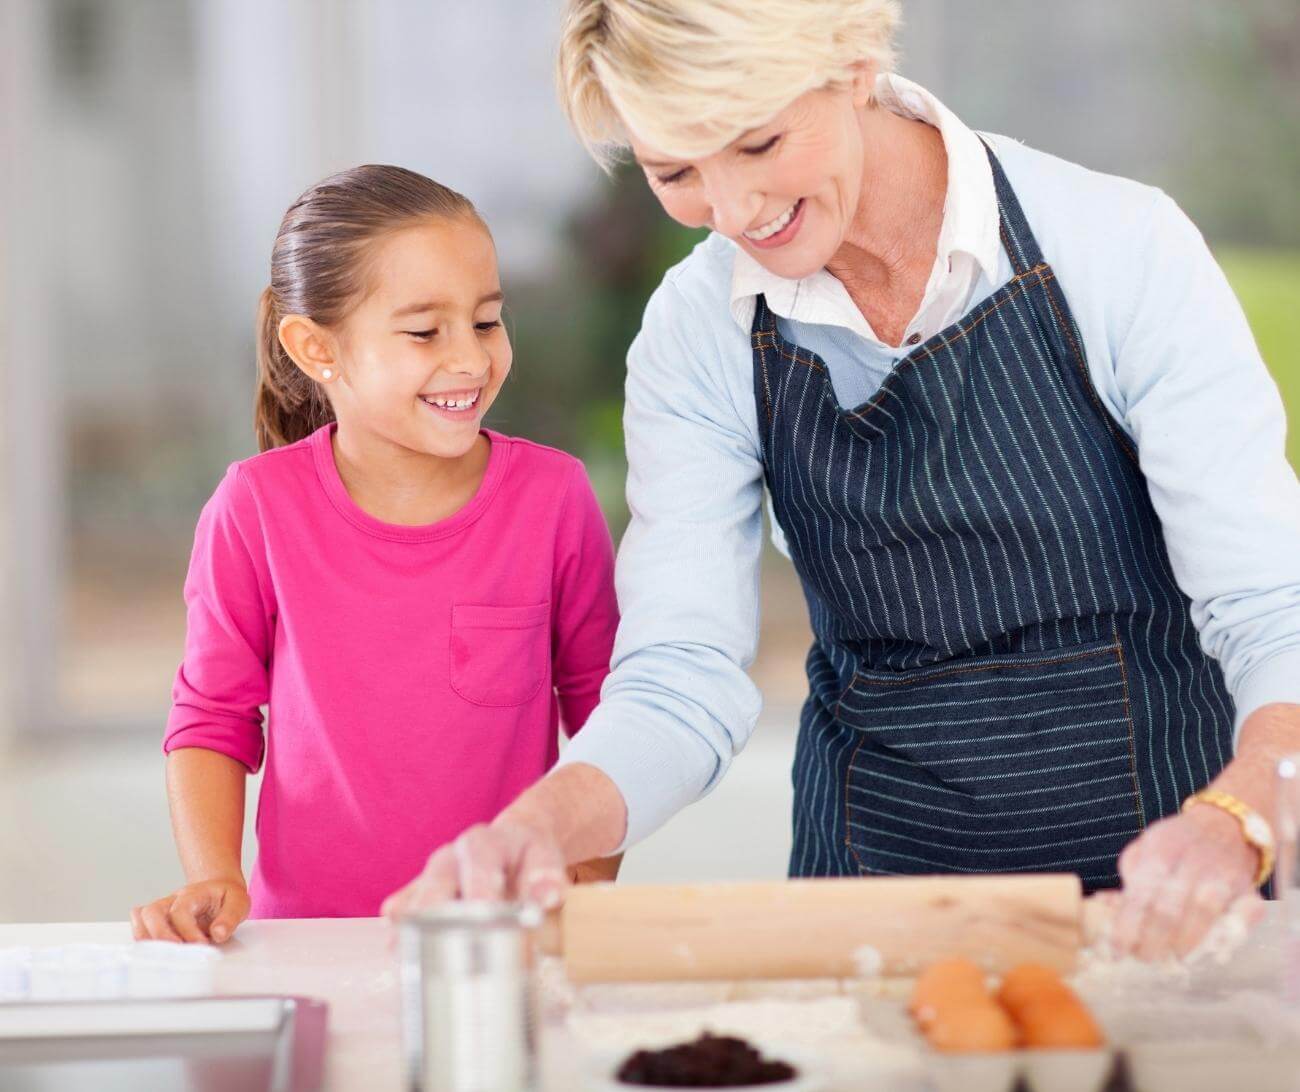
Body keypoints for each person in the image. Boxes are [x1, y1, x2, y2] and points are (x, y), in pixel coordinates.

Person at [384, 1, 1300, 961]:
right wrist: (535, 827)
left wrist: (1238, 820)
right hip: (868, 920)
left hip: (1175, 903)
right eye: (676, 172)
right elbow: (680, 679)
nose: (732, 213)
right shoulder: (698, 334)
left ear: (855, 61)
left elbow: (1274, 614)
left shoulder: (1116, 248)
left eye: (758, 142)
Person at [132, 165, 620, 943]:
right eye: (426, 331)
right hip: (307, 945)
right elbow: (212, 716)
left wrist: (587, 885)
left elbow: (604, 711)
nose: (470, 359)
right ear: (317, 349)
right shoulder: (254, 508)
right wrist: (214, 875)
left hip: (504, 935)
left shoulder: (554, 498)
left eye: (488, 321)